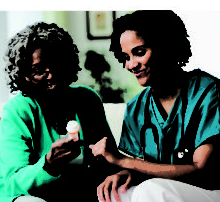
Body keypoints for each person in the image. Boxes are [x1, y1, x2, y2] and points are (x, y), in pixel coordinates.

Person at [90, 10, 220, 202]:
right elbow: (144, 167)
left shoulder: (208, 92)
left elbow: (202, 172)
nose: (131, 65)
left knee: (150, 190)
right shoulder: (136, 109)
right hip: (163, 189)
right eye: (125, 57)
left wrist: (123, 160)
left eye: (139, 53)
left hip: (212, 189)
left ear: (166, 46)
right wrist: (127, 174)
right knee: (113, 193)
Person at [0, 22, 117, 202]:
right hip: (16, 195)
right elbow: (14, 182)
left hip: (71, 192)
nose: (52, 75)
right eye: (39, 70)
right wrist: (48, 164)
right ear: (24, 75)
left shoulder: (87, 100)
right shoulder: (18, 110)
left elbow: (108, 159)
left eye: (57, 63)